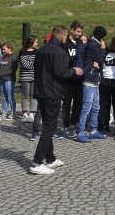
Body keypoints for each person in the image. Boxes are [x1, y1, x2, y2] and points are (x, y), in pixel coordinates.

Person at [28, 26, 84, 175]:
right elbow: (61, 72)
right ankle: (37, 162)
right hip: (52, 93)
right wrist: (74, 70)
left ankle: (50, 159)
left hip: (41, 92)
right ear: (63, 37)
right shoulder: (60, 51)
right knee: (49, 128)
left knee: (48, 124)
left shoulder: (40, 50)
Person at [75, 25, 107, 143]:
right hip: (89, 79)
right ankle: (81, 132)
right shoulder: (93, 45)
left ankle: (93, 130)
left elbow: (99, 63)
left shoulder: (93, 44)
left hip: (95, 80)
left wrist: (99, 63)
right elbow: (101, 61)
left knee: (96, 107)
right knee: (86, 107)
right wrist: (103, 50)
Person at [62, 21, 84, 137]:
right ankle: (66, 125)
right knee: (66, 102)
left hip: (79, 79)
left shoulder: (80, 43)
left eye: (81, 32)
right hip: (68, 77)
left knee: (78, 102)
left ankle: (74, 122)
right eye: (77, 31)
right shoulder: (66, 43)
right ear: (72, 30)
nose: (79, 34)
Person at [18, 35, 38, 123]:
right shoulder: (22, 52)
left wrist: (34, 65)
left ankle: (32, 113)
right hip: (25, 77)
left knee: (33, 95)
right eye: (36, 42)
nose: (37, 43)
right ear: (31, 42)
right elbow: (25, 64)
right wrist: (34, 64)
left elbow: (39, 63)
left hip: (35, 77)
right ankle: (25, 112)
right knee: (25, 95)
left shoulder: (37, 52)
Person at [0, 42, 18, 120]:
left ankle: (13, 113)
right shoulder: (4, 57)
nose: (3, 51)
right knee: (4, 97)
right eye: (2, 49)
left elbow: (13, 70)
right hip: (2, 79)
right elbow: (0, 67)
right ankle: (4, 113)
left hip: (9, 79)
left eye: (4, 49)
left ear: (9, 48)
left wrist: (2, 74)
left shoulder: (14, 57)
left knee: (10, 96)